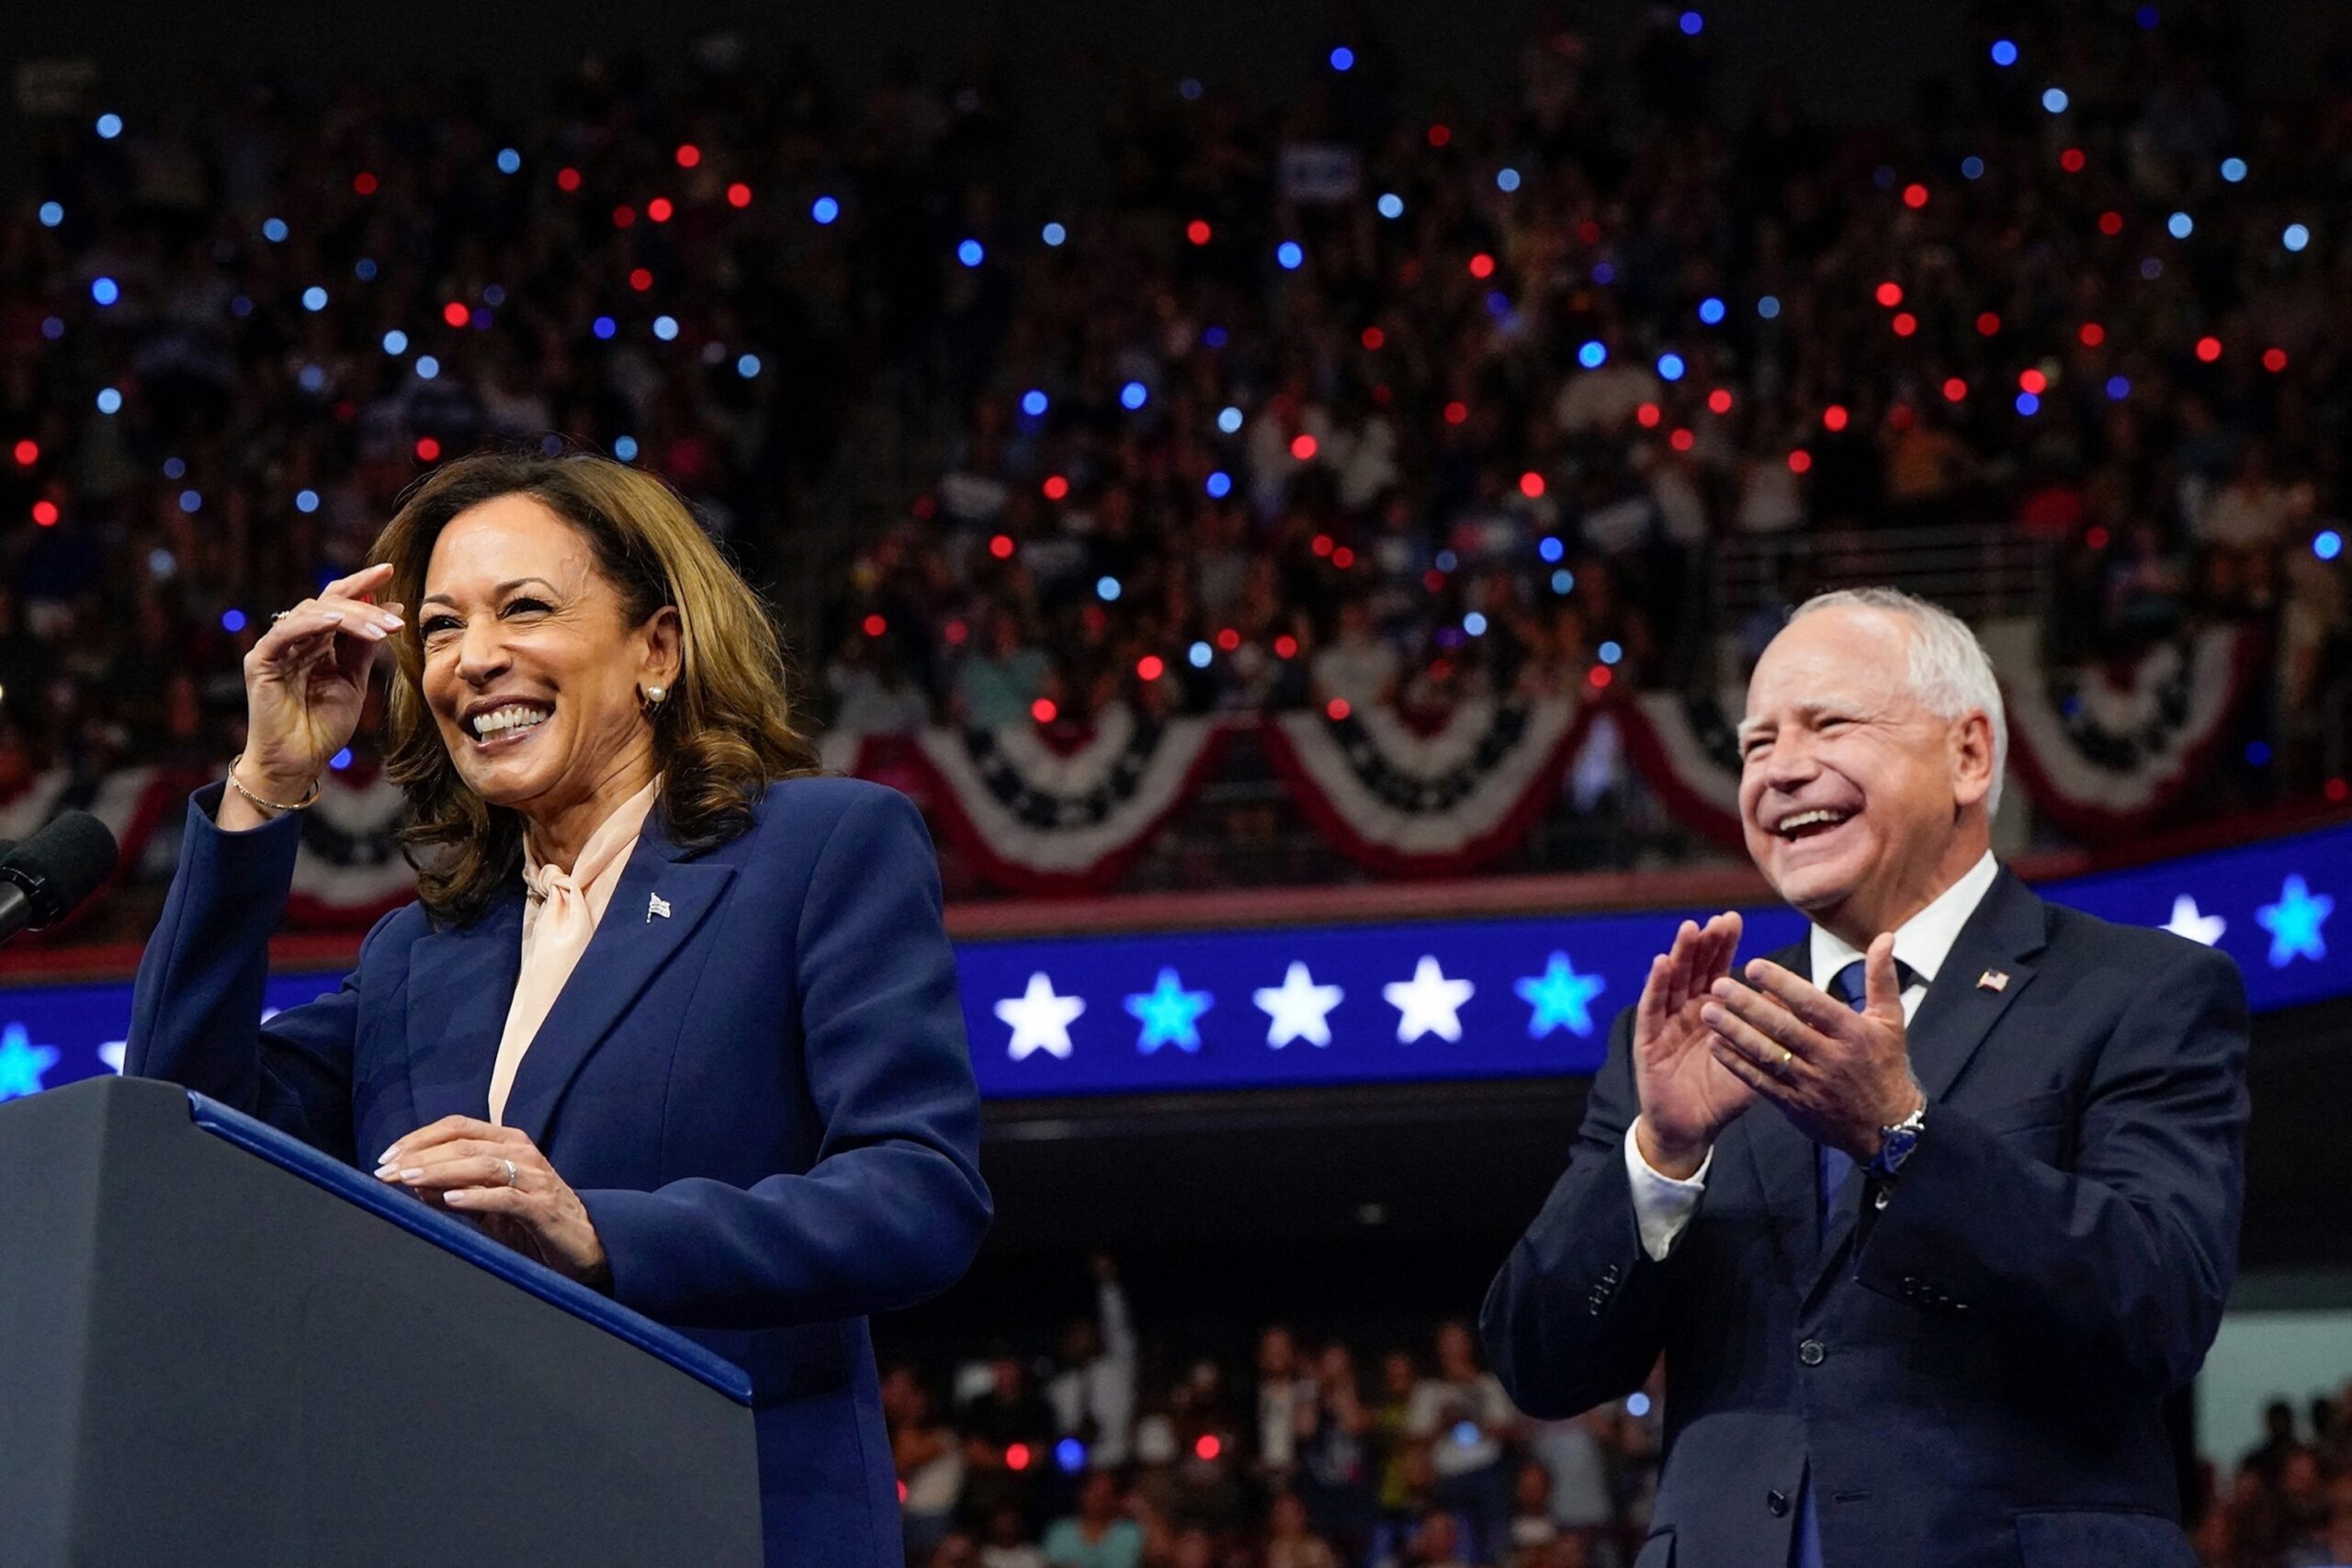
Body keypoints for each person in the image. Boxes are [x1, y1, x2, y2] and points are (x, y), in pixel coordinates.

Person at [125, 450, 992, 1568]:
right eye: (438, 629)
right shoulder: (416, 954)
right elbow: (180, 1123)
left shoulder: (820, 852)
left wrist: (602, 1235)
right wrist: (266, 785)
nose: (474, 661)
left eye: (523, 609)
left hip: (733, 1522)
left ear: (658, 650)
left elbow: (919, 1194)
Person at [1482, 588, 2248, 1568]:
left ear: (1967, 755)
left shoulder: (2141, 992)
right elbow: (1538, 1365)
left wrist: (1904, 1134)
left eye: (1827, 723)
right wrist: (1660, 1158)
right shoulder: (1690, 1032)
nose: (1780, 770)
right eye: (1756, 745)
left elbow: (2159, 1310)